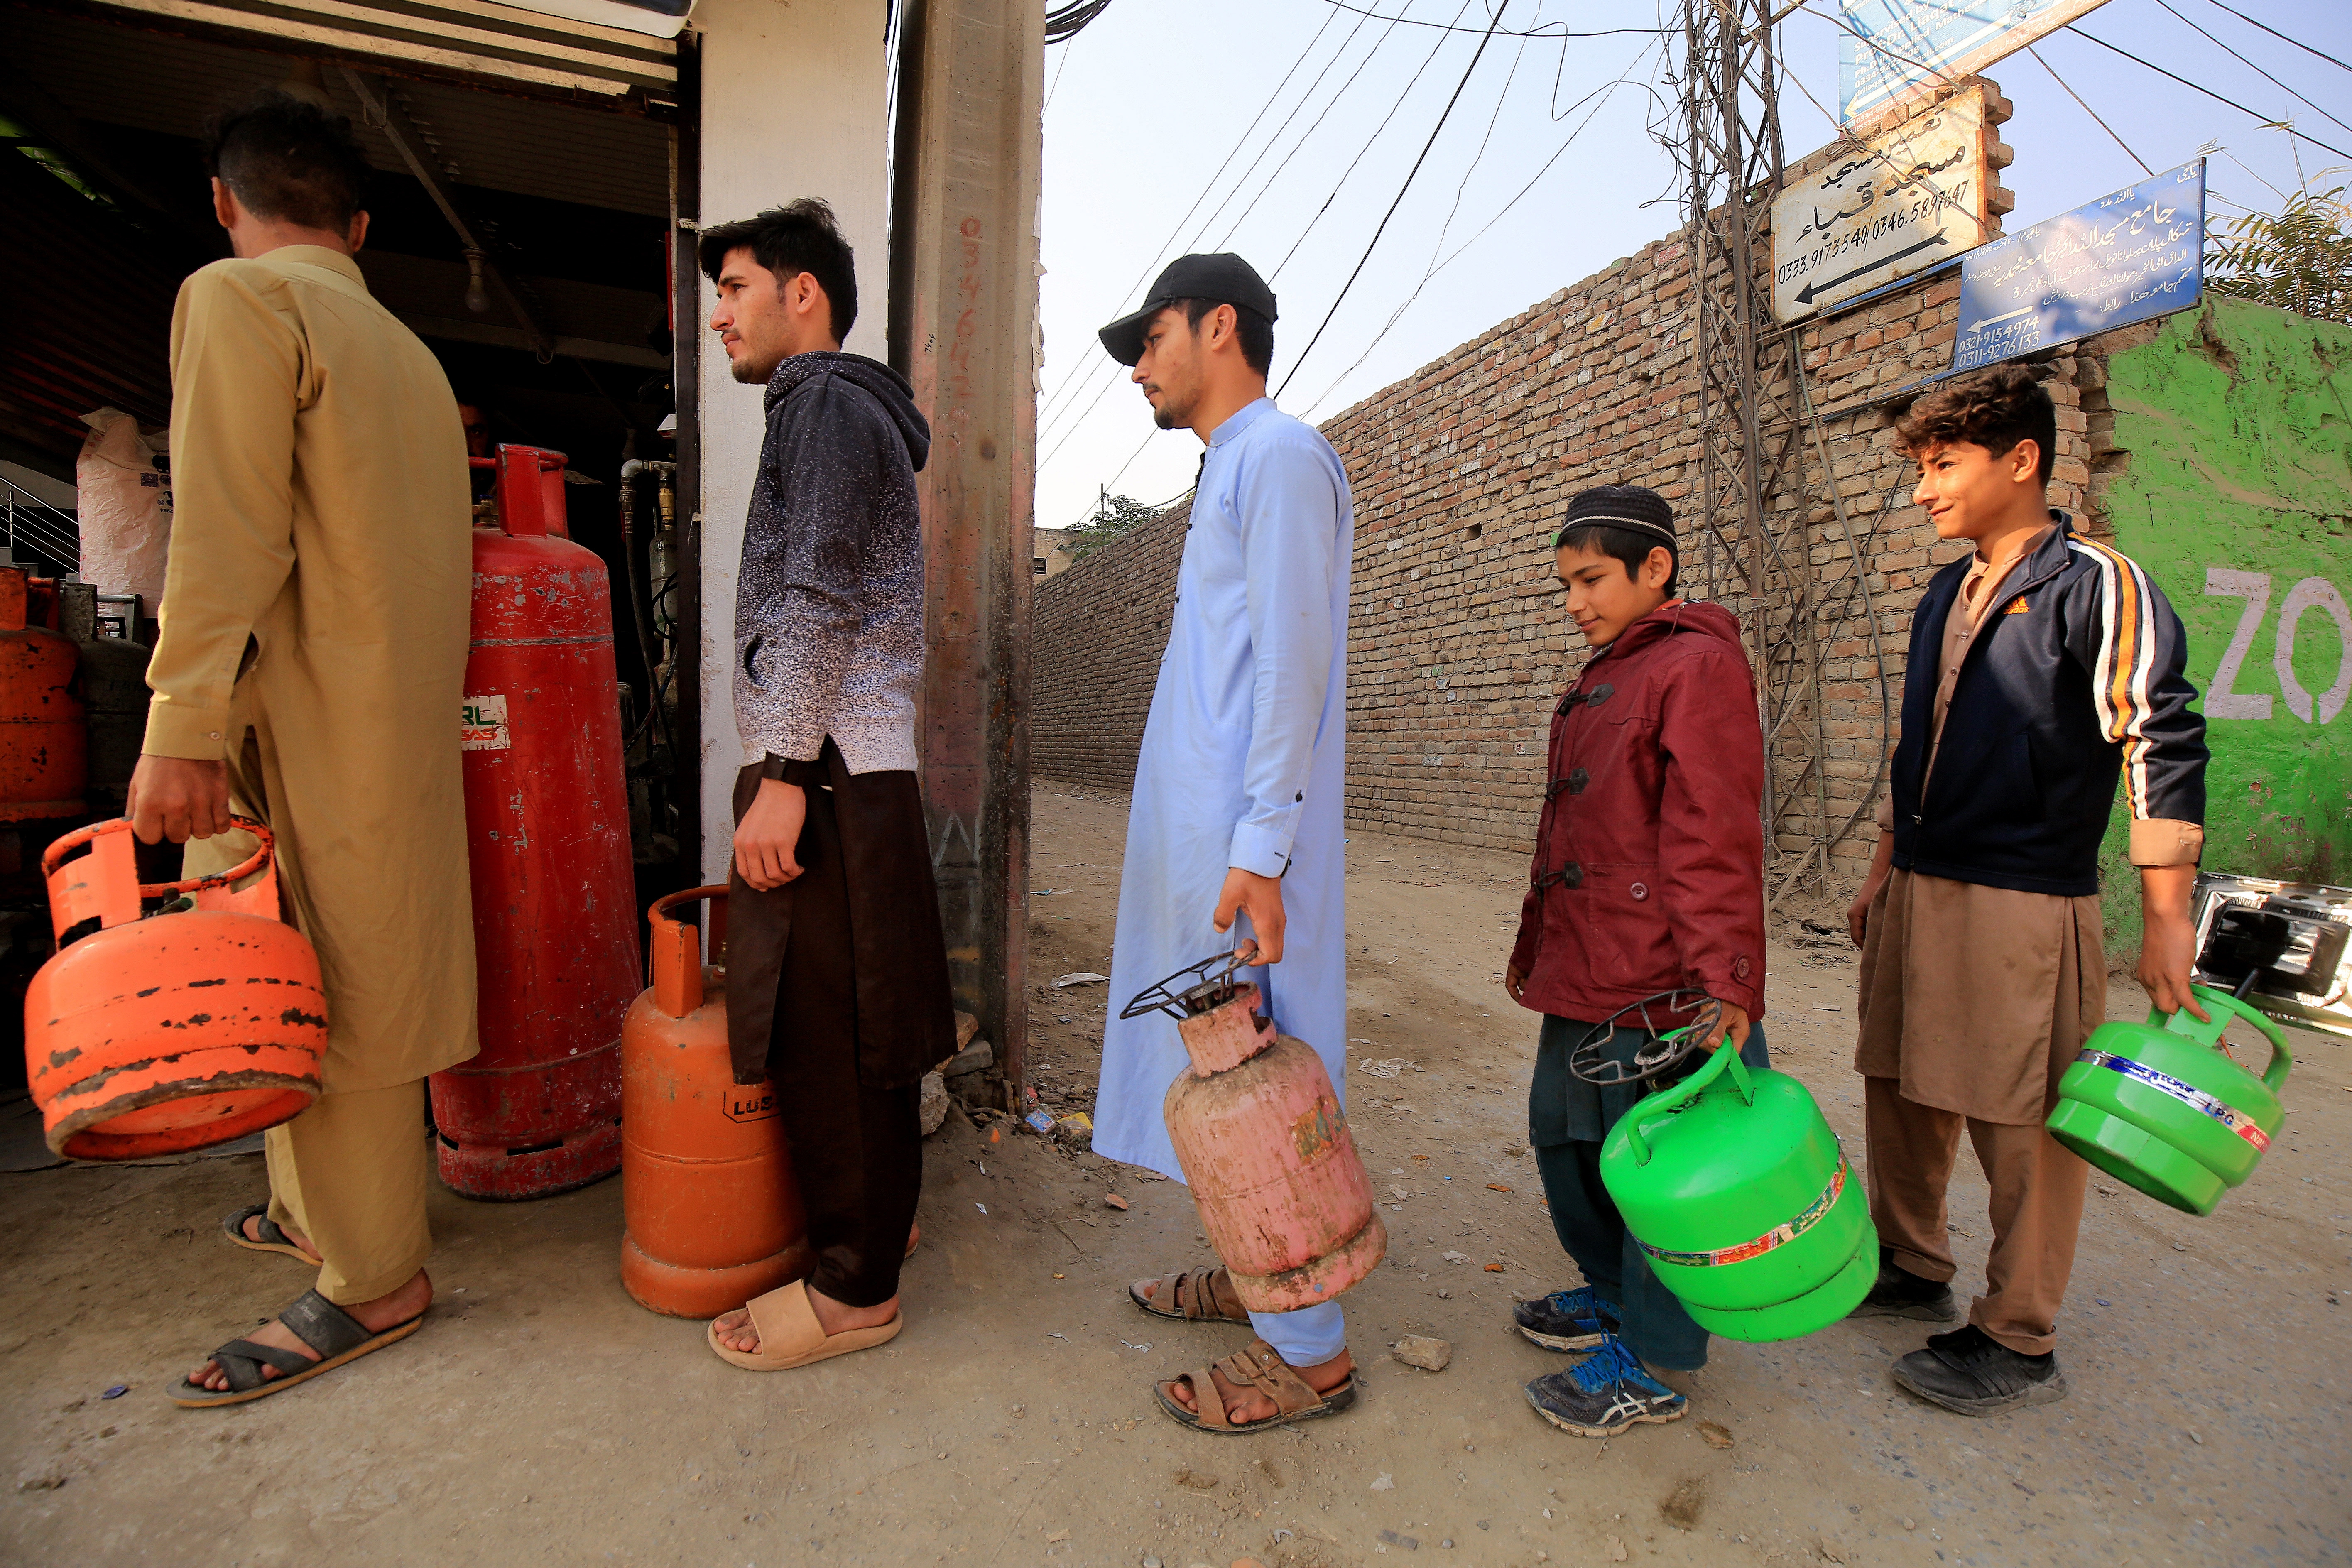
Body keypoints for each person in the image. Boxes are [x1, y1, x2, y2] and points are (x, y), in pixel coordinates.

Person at [140, 91, 476, 1406]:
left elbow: (224, 526)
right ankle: (312, 1215)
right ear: (362, 225)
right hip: (393, 717)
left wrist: (181, 721)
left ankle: (375, 1277)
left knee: (304, 985)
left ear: (225, 204)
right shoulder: (411, 356)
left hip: (295, 716)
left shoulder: (238, 299)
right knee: (341, 970)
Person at [1845, 365, 2207, 1414]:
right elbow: (1916, 743)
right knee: (1901, 1080)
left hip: (2025, 900)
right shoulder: (1942, 592)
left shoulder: (2100, 584)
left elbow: (2160, 739)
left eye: (1942, 465)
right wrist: (1883, 868)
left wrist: (2168, 920)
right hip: (1920, 881)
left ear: (2021, 460)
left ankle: (2018, 1333)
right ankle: (1912, 1262)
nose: (1924, 489)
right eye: (1919, 468)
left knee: (2026, 1119)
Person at [1090, 255, 1359, 1433]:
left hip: (1245, 849)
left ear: (1220, 328)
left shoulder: (1281, 456)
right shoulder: (1233, 465)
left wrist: (1261, 847)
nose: (1139, 368)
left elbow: (1294, 665)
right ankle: (1259, 1278)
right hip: (1211, 835)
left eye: (1151, 339)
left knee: (1256, 1074)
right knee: (1215, 1073)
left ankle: (1307, 1352)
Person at [696, 200, 957, 1372]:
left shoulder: (829, 406)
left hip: (830, 769)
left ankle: (857, 1290)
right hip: (845, 766)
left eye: (736, 288)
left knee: (835, 1032)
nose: (720, 315)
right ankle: (875, 1230)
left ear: (804, 294)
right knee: (857, 1021)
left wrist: (788, 772)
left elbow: (820, 591)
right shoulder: (834, 411)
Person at [1502, 485, 1770, 1439]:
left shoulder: (1697, 664)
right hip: (1590, 960)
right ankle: (1612, 1293)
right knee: (1569, 1137)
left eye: (1591, 579)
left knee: (1665, 1167)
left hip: (1664, 980)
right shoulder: (1615, 667)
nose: (1575, 602)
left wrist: (1725, 979)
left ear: (1656, 567)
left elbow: (1714, 832)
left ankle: (1655, 1358)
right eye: (1566, 585)